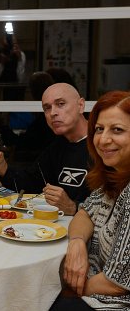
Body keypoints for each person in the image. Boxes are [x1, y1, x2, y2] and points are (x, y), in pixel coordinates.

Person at [51, 90, 130, 310]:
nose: (103, 139)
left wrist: (61, 290)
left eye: (117, 130)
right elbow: (85, 212)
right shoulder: (112, 180)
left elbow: (117, 284)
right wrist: (77, 242)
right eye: (99, 129)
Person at [0, 82, 91, 215]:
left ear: (81, 105)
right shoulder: (56, 146)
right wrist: (3, 167)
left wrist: (74, 207)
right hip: (55, 227)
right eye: (47, 108)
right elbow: (31, 184)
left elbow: (114, 206)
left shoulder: (104, 145)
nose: (53, 113)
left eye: (60, 104)